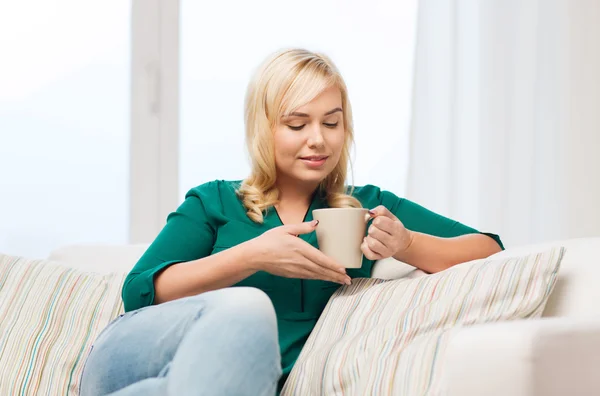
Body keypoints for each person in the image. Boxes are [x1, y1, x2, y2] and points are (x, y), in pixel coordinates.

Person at [80, 48, 503, 396]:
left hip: (227, 384)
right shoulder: (215, 200)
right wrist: (252, 257)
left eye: (332, 123)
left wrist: (406, 242)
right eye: (297, 124)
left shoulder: (366, 206)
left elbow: (489, 250)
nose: (318, 139)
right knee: (248, 307)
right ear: (263, 130)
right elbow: (138, 293)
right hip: (130, 355)